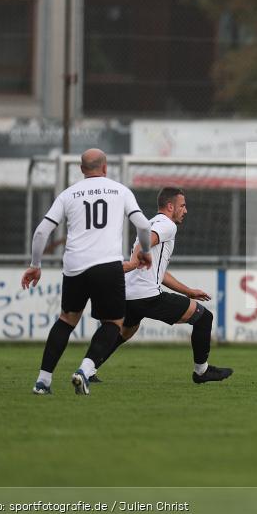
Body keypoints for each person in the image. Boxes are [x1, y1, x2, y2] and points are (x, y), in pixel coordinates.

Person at [22, 149, 152, 395]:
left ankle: (43, 381)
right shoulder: (121, 191)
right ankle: (84, 369)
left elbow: (41, 232)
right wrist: (145, 250)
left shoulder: (68, 194)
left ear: (81, 169)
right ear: (105, 168)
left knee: (66, 320)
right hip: (107, 266)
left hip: (75, 266)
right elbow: (144, 225)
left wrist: (35, 265)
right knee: (114, 322)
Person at [88, 187, 233, 384]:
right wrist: (133, 259)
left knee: (125, 331)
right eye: (182, 205)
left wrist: (188, 291)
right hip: (147, 296)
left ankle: (87, 369)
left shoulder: (150, 223)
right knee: (203, 317)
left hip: (129, 294)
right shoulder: (167, 225)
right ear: (170, 206)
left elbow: (158, 271)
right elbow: (145, 244)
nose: (186, 210)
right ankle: (202, 372)